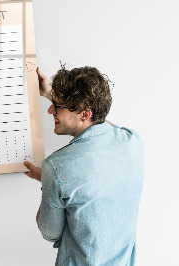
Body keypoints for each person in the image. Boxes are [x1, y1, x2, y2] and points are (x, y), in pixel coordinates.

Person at [24, 66, 145, 265]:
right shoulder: (132, 141)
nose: (49, 110)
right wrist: (49, 93)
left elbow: (49, 233)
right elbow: (101, 125)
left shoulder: (56, 167)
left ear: (85, 114)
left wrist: (48, 181)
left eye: (57, 106)